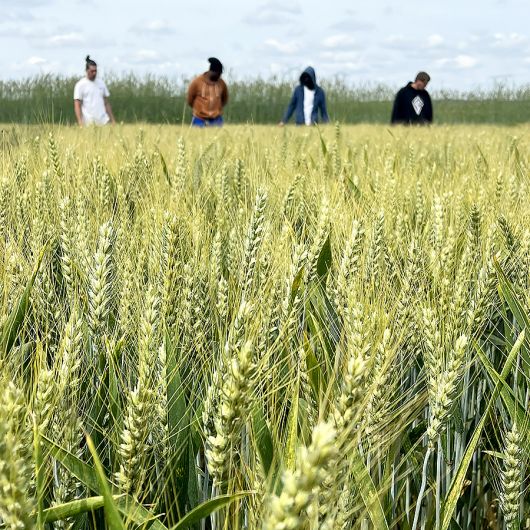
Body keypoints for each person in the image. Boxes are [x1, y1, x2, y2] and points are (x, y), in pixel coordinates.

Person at [74, 56, 115, 127]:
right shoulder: (80, 85)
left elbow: (106, 103)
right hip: (89, 122)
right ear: (86, 71)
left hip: (103, 121)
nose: (94, 73)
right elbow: (77, 105)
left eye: (95, 71)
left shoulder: (101, 83)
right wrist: (80, 122)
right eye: (92, 71)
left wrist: (112, 120)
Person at [187, 58, 229, 127]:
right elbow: (190, 100)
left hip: (216, 119)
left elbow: (224, 99)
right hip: (199, 119)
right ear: (212, 72)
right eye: (218, 73)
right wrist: (199, 110)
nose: (219, 76)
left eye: (220, 74)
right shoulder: (197, 82)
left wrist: (217, 108)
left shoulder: (222, 83)